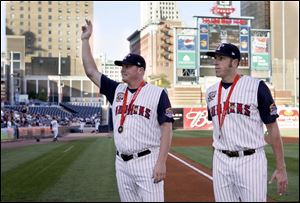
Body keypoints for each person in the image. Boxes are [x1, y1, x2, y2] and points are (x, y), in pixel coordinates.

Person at [81, 19, 174, 202]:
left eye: (127, 66)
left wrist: (161, 162)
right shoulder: (116, 90)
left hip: (147, 161)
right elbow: (91, 71)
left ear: (140, 70)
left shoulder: (157, 93)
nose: (122, 69)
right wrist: (85, 40)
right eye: (121, 66)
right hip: (121, 163)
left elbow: (167, 129)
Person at [205, 43, 288, 202]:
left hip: (250, 161)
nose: (216, 62)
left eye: (221, 58)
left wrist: (281, 167)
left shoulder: (256, 87)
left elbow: (272, 127)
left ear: (234, 63)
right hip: (221, 160)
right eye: (215, 58)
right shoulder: (210, 92)